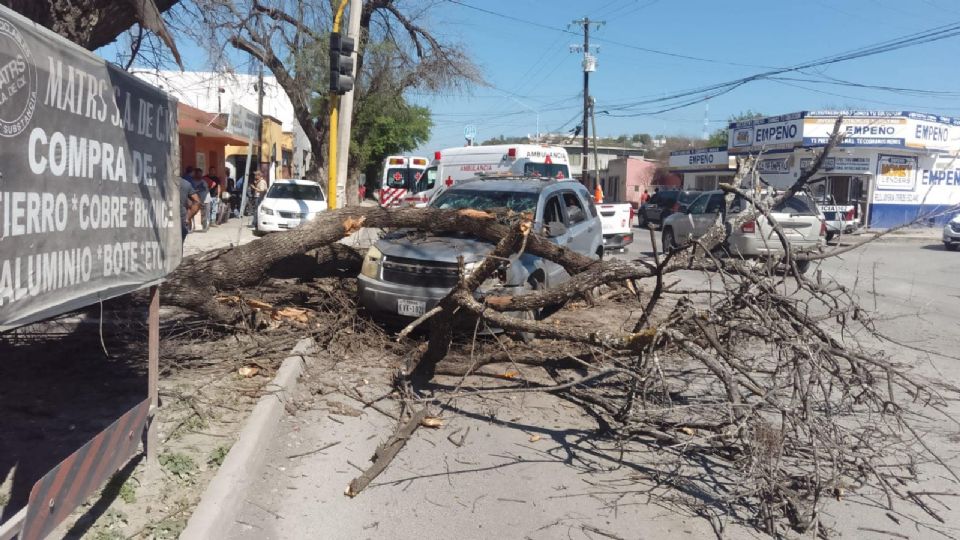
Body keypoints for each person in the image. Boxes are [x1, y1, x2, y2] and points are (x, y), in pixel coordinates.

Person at [180, 174, 201, 249]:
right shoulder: (185, 184)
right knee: (178, 248)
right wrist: (187, 217)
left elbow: (196, 202)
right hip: (181, 221)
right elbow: (197, 202)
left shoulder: (158, 182)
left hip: (162, 221)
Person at [191, 167, 211, 232]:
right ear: (195, 174)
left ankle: (205, 226)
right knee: (195, 213)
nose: (200, 175)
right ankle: (194, 226)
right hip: (197, 201)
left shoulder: (203, 182)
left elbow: (206, 190)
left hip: (206, 200)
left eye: (201, 174)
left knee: (206, 214)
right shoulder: (192, 182)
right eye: (198, 174)